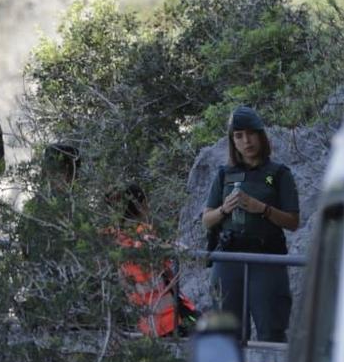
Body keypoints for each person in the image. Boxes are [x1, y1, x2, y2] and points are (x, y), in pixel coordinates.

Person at [200, 106, 300, 342]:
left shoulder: (278, 174)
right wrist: (225, 209)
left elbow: (293, 222)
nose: (246, 141)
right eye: (238, 135)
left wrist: (261, 208)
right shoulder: (224, 173)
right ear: (233, 141)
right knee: (225, 334)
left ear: (261, 135)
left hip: (266, 259)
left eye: (251, 133)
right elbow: (207, 219)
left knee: (272, 332)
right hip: (229, 259)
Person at [112, 184, 197, 337]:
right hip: (170, 317)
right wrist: (176, 247)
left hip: (148, 321)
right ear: (142, 204)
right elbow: (151, 243)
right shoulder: (142, 231)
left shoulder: (120, 239)